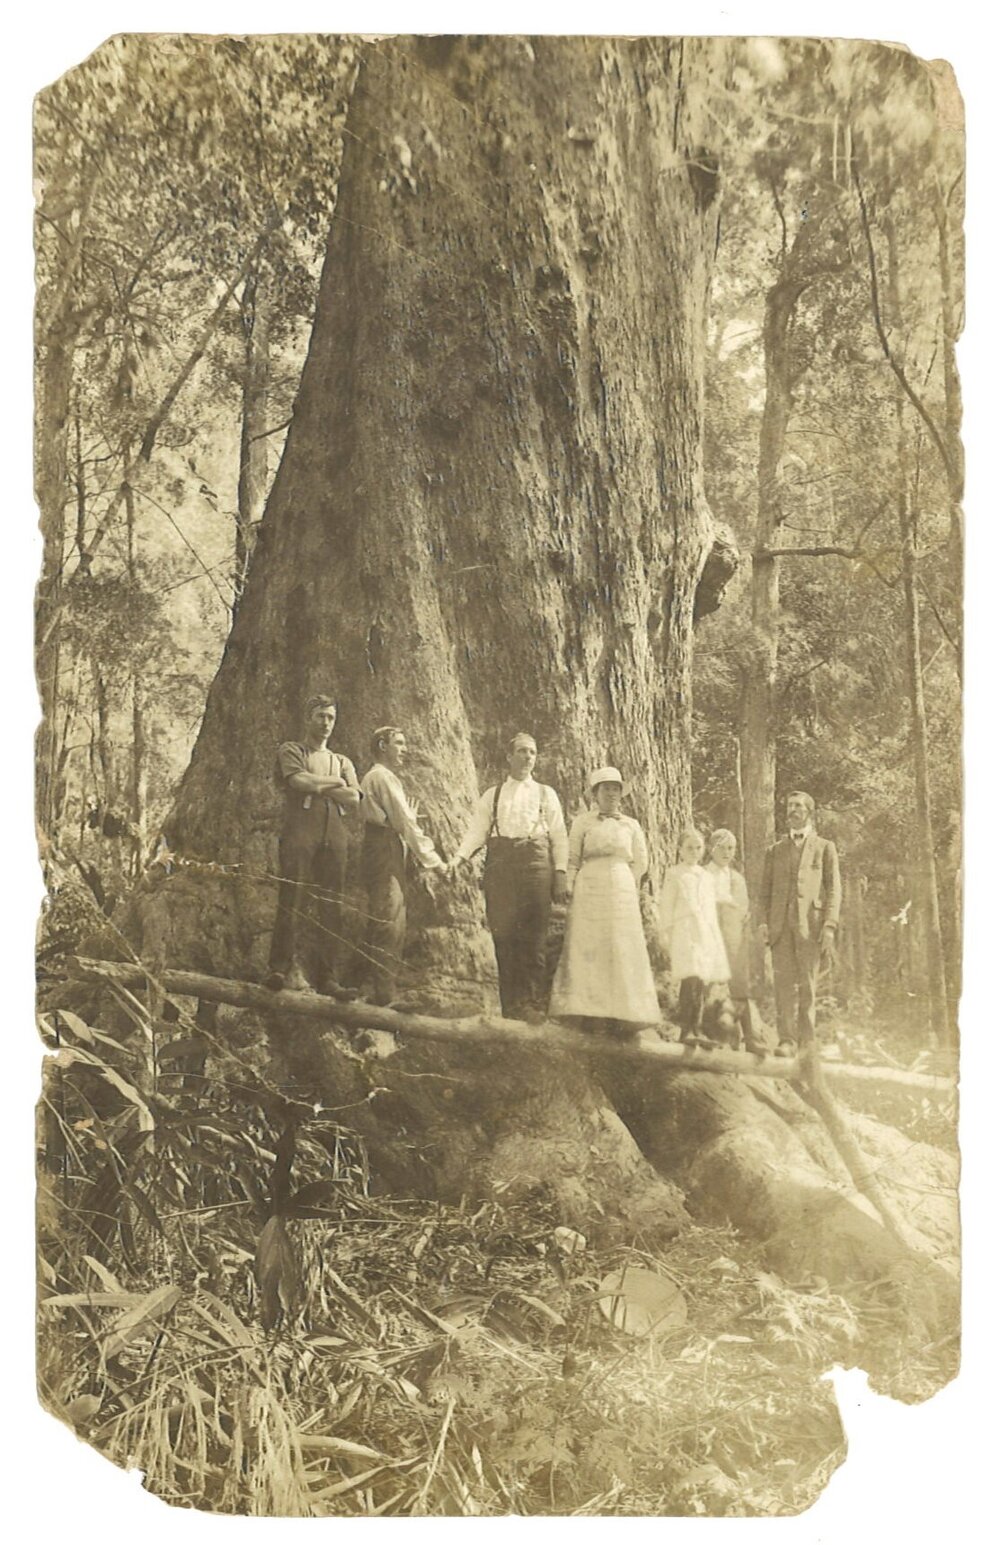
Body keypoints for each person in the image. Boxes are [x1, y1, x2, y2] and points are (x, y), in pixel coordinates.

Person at [448, 732, 568, 1023]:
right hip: (501, 864)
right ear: (509, 757)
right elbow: (477, 832)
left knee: (535, 935)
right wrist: (458, 859)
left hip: (536, 862)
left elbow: (559, 836)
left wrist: (561, 872)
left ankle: (531, 1004)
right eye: (522, 752)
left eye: (532, 753)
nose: (528, 757)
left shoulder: (546, 794)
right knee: (504, 935)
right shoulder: (493, 795)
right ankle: (509, 1005)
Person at [549, 767, 660, 1032]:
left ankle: (622, 1015)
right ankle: (588, 1012)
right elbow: (573, 858)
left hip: (621, 886)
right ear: (595, 794)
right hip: (590, 885)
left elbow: (641, 861)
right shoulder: (583, 822)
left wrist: (625, 880)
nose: (611, 793)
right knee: (589, 944)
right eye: (605, 788)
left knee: (620, 944)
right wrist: (571, 885)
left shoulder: (631, 824)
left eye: (615, 788)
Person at [265, 693, 360, 996]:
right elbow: (298, 782)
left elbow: (355, 798)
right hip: (300, 827)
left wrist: (324, 784)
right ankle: (279, 969)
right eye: (320, 716)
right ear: (308, 718)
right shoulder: (292, 750)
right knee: (292, 894)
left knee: (331, 902)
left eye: (331, 717)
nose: (325, 723)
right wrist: (335, 783)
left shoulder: (341, 760)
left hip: (334, 831)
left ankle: (329, 978)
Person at [358, 726, 448, 1006]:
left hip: (388, 846)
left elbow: (400, 819)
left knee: (393, 917)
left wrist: (403, 818)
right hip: (383, 847)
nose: (405, 749)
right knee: (389, 916)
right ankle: (383, 993)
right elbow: (405, 823)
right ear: (383, 745)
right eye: (399, 743)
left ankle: (384, 988)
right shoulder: (382, 777)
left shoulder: (385, 778)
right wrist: (435, 862)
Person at [758, 790, 842, 1057]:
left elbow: (834, 890)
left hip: (811, 927)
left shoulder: (824, 847)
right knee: (783, 985)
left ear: (809, 812)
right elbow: (764, 893)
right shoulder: (775, 851)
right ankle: (787, 1040)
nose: (792, 810)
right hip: (780, 928)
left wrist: (829, 925)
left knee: (808, 985)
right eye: (789, 806)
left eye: (798, 806)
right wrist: (763, 923)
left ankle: (807, 1042)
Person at [658, 828, 731, 1043]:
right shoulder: (674, 874)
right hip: (685, 931)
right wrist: (666, 932)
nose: (694, 852)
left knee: (701, 981)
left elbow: (709, 909)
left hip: (704, 933)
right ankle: (685, 1029)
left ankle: (697, 1029)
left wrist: (713, 937)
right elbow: (666, 907)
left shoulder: (706, 876)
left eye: (698, 848)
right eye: (689, 848)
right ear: (680, 850)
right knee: (689, 980)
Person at [706, 828, 755, 1045]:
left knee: (738, 983)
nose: (726, 853)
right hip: (710, 934)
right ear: (710, 849)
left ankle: (748, 1034)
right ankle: (706, 1030)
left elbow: (742, 910)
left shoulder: (737, 879)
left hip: (733, 938)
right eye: (721, 848)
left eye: (730, 848)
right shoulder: (703, 875)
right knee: (708, 982)